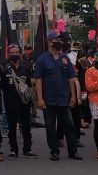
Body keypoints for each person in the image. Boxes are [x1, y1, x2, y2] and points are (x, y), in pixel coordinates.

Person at [33, 32, 81, 161]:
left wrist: (73, 97)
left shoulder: (64, 58)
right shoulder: (42, 59)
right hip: (49, 99)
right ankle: (54, 151)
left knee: (69, 126)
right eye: (56, 40)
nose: (59, 41)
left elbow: (71, 77)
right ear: (49, 42)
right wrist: (40, 98)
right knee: (50, 126)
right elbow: (38, 79)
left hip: (64, 98)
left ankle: (73, 151)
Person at [0, 44, 37, 159]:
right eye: (12, 53)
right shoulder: (4, 67)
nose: (14, 54)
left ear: (20, 53)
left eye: (16, 52)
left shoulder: (27, 66)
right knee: (11, 127)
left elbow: (32, 84)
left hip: (24, 101)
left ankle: (27, 150)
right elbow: (1, 85)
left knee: (26, 126)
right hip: (10, 100)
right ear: (8, 54)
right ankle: (13, 150)